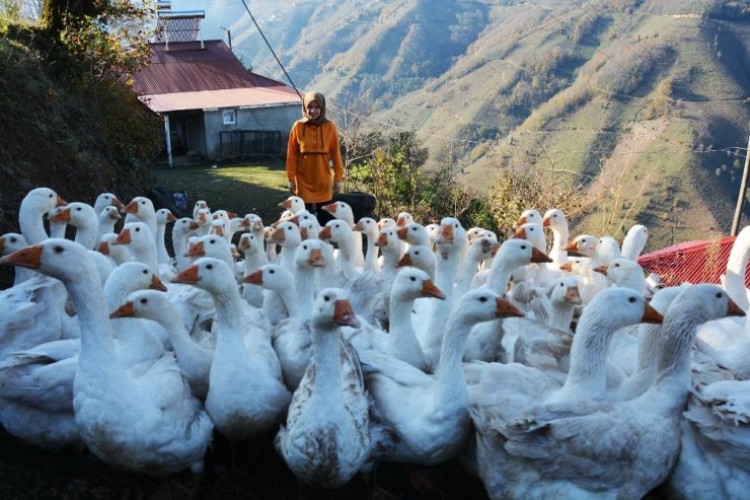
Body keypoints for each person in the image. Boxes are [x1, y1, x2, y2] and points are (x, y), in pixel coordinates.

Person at [286, 91, 344, 226]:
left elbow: (336, 154)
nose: (313, 111)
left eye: (317, 107)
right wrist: (290, 178)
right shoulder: (298, 126)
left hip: (323, 181)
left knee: (325, 220)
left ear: (322, 108)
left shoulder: (330, 127)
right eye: (310, 107)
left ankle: (323, 244)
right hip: (303, 180)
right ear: (304, 108)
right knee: (303, 219)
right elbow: (292, 155)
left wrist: (338, 178)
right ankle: (305, 244)